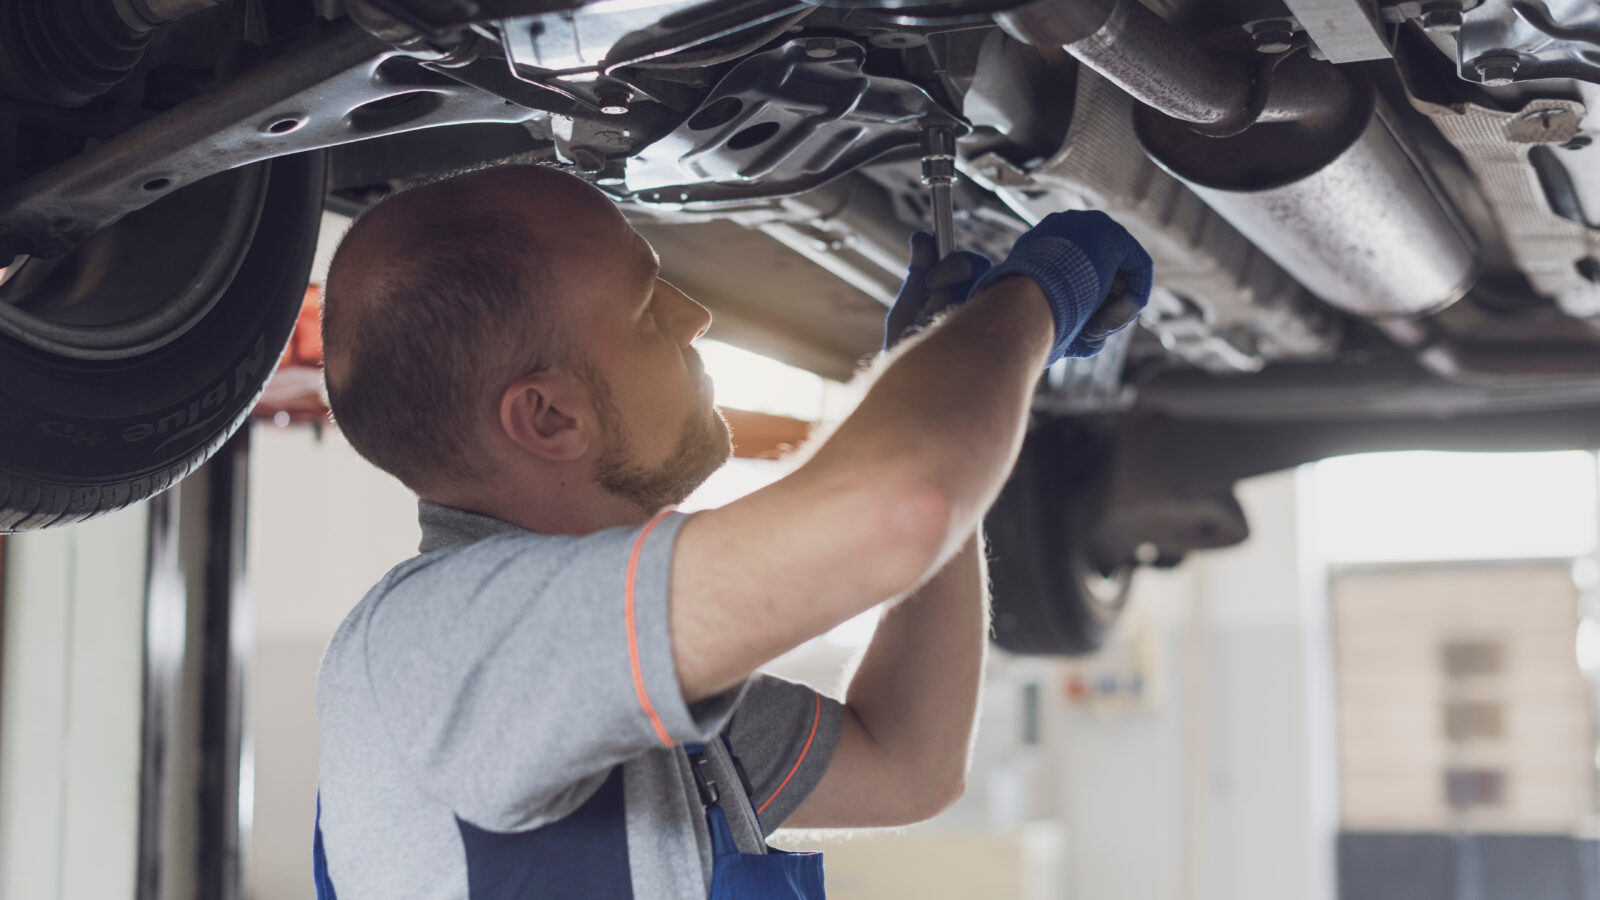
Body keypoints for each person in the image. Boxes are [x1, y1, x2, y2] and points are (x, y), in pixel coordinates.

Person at [313, 163, 1152, 899]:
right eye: (646, 309)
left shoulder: (589, 675)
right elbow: (902, 511)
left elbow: (907, 761)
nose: (694, 318)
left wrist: (940, 368)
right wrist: (1031, 302)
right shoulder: (445, 648)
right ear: (547, 414)